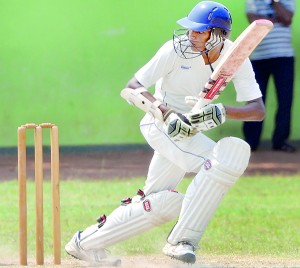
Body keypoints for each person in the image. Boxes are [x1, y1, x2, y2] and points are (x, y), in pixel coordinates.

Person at [65, 1, 265, 265]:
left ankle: (84, 243)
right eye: (190, 30)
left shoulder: (235, 57)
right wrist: (167, 113)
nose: (190, 36)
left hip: (190, 131)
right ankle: (182, 241)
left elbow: (257, 110)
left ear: (218, 35)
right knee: (225, 160)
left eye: (199, 31)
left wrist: (223, 111)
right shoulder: (174, 49)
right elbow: (133, 87)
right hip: (161, 124)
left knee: (158, 202)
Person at [243, 0, 296, 152]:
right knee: (255, 99)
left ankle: (280, 141)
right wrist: (275, 19)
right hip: (259, 58)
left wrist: (274, 2)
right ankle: (250, 142)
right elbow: (255, 24)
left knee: (285, 100)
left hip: (284, 57)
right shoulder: (252, 1)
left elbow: (287, 18)